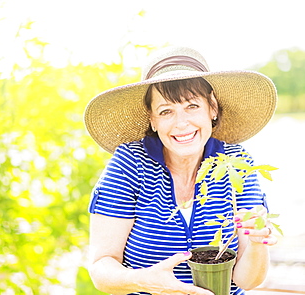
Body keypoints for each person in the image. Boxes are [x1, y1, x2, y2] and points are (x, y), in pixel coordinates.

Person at [84, 46, 278, 295]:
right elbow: (101, 269)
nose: (181, 123)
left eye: (192, 106)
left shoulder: (235, 161)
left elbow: (247, 281)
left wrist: (257, 242)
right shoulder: (130, 163)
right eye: (166, 111)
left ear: (213, 108)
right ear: (152, 120)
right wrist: (145, 281)